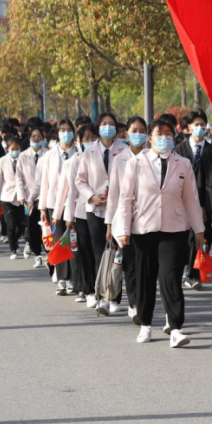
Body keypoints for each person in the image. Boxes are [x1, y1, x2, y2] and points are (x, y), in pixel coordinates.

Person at [115, 118, 205, 348]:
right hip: (143, 228)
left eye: (168, 133)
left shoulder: (183, 163)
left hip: (174, 228)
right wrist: (123, 230)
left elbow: (191, 199)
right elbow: (125, 199)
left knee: (170, 277)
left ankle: (175, 328)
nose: (164, 137)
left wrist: (199, 229)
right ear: (150, 138)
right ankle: (145, 324)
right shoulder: (136, 163)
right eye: (159, 133)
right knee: (145, 277)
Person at [75, 113, 125, 311]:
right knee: (99, 253)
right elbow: (80, 180)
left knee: (117, 254)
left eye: (111, 124)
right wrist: (91, 196)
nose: (108, 127)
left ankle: (115, 297)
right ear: (98, 127)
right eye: (104, 124)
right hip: (95, 209)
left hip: (118, 209)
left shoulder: (124, 150)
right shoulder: (89, 152)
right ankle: (101, 295)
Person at [175, 110, 212, 294]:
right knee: (190, 237)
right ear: (189, 127)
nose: (199, 128)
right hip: (185, 200)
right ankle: (191, 273)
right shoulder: (180, 149)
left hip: (209, 201)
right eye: (196, 125)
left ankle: (200, 271)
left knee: (205, 237)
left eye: (202, 124)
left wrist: (204, 205)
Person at [105, 116, 148, 322]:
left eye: (142, 131)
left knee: (144, 265)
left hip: (148, 218)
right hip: (125, 218)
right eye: (134, 130)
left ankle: (143, 301)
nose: (138, 134)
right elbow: (113, 194)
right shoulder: (118, 159)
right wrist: (110, 223)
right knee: (130, 263)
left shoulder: (152, 157)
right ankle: (134, 304)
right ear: (127, 134)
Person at [63, 123, 100, 307]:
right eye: (86, 139)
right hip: (81, 213)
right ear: (78, 142)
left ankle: (100, 288)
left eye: (93, 138)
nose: (90, 141)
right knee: (84, 253)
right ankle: (88, 290)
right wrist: (69, 217)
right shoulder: (74, 162)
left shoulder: (102, 157)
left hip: (100, 211)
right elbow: (72, 191)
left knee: (97, 252)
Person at [40, 119, 78, 295]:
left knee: (72, 241)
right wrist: (42, 207)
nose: (66, 133)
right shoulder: (49, 155)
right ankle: (62, 278)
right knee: (59, 241)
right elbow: (45, 182)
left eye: (69, 130)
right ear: (57, 133)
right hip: (53, 204)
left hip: (74, 203)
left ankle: (73, 278)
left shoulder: (79, 153)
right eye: (62, 130)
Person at [0, 136, 26, 260]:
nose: (15, 151)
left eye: (17, 148)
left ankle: (15, 240)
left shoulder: (24, 159)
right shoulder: (3, 160)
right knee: (10, 224)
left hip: (22, 196)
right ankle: (13, 249)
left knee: (22, 224)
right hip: (7, 197)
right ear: (7, 149)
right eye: (12, 149)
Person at [17, 127, 46, 268]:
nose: (36, 138)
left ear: (43, 138)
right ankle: (37, 254)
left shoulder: (48, 154)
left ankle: (48, 252)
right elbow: (18, 177)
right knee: (32, 226)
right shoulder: (23, 156)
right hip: (29, 197)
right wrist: (21, 195)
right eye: (33, 136)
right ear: (29, 138)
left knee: (45, 227)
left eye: (39, 136)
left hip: (44, 195)